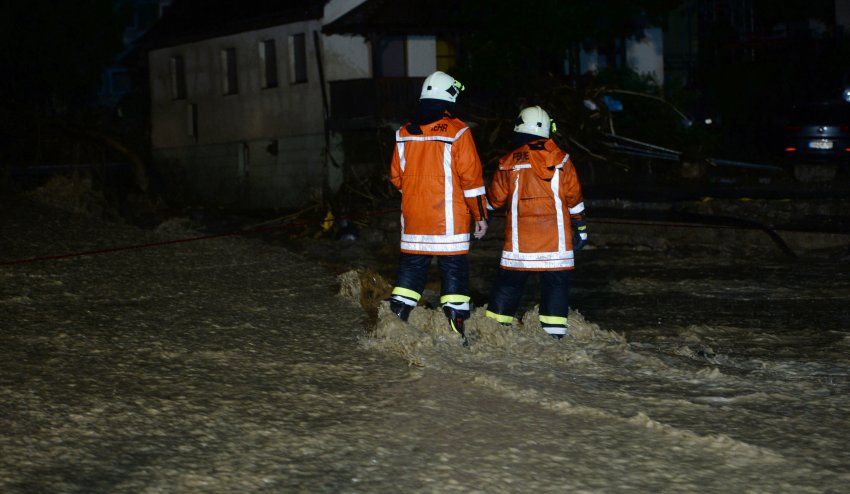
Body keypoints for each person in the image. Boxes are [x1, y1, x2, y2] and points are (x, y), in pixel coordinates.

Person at [388, 71, 489, 344]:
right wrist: (480, 216)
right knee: (454, 272)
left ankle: (394, 324)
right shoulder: (459, 131)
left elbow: (396, 178)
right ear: (449, 99)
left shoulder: (403, 133)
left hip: (414, 221)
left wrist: (416, 195)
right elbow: (472, 181)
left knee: (410, 274)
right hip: (450, 221)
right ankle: (456, 330)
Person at [485, 106, 587, 339]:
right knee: (556, 288)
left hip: (519, 244)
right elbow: (574, 198)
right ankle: (554, 340)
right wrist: (581, 228)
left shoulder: (508, 161)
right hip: (556, 244)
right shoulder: (562, 160)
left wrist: (480, 218)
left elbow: (494, 200)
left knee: (508, 286)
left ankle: (493, 336)